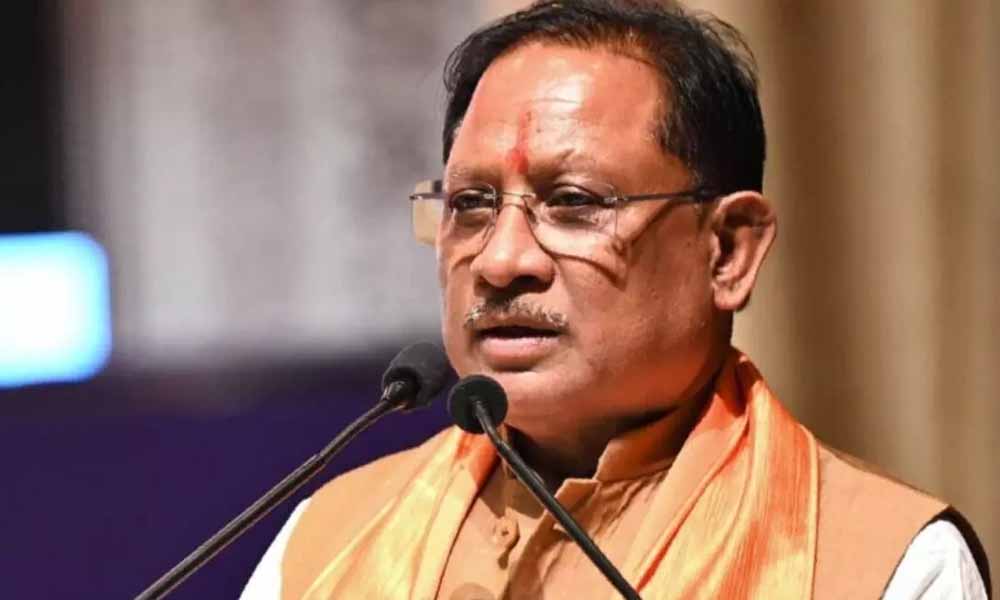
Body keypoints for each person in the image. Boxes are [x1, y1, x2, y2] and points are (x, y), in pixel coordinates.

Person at [242, 1, 991, 598]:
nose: (501, 261)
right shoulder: (327, 549)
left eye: (573, 203)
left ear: (728, 250)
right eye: (471, 204)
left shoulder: (880, 565)